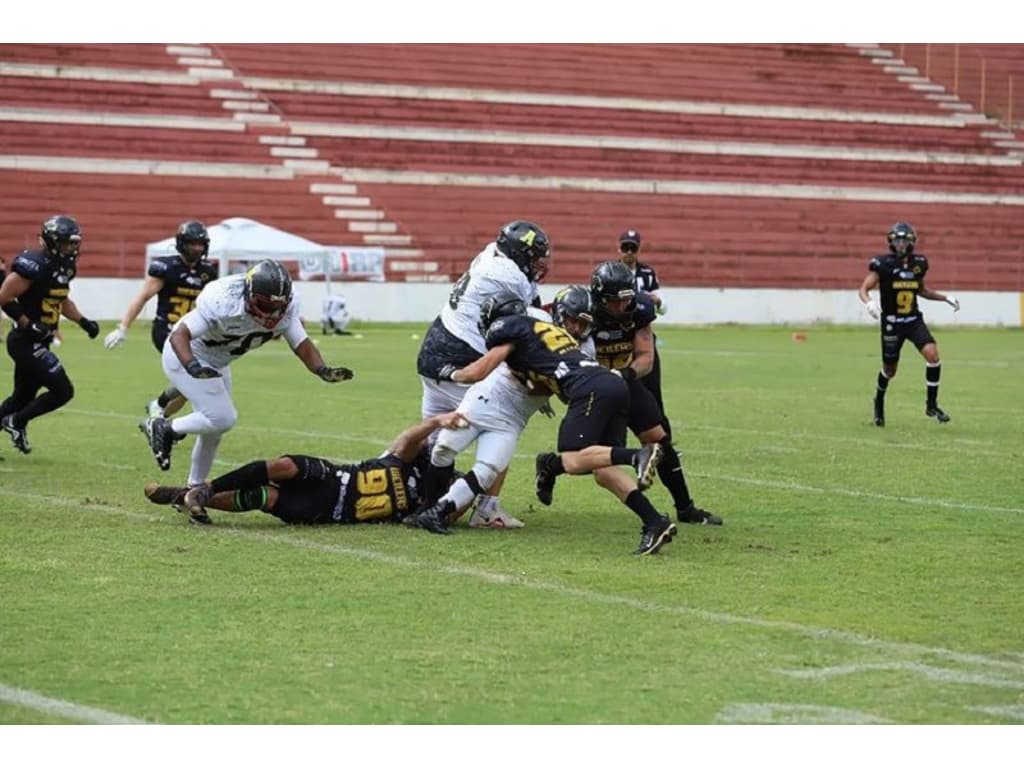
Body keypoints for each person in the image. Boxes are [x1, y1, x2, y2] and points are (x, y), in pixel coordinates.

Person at [406, 289, 673, 556]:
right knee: (601, 468)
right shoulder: (532, 320)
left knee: (571, 458)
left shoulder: (533, 328)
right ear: (558, 312)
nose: (577, 327)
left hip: (533, 409)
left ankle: (636, 456)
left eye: (584, 323)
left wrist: (446, 371)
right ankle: (654, 520)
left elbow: (482, 370)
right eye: (572, 319)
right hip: (504, 398)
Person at [140, 259, 355, 490]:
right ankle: (164, 427)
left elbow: (301, 343)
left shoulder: (286, 306)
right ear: (249, 295)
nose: (273, 312)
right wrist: (192, 366)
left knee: (214, 429)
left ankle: (195, 487)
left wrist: (322, 369)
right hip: (185, 355)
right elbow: (179, 335)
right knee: (223, 418)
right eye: (265, 304)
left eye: (278, 307)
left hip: (218, 360)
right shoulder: (223, 299)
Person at [415, 220, 551, 519]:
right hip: (462, 354)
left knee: (437, 440)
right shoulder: (509, 277)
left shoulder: (493, 253)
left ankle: (425, 505)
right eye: (534, 255)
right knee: (504, 423)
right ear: (518, 253)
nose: (539, 262)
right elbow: (525, 327)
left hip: (433, 350)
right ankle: (486, 509)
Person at [144, 411, 468, 526]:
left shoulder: (427, 507)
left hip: (327, 511)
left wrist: (469, 489)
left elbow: (455, 509)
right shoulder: (405, 461)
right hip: (335, 476)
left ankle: (183, 496)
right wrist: (437, 422)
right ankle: (206, 489)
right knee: (284, 467)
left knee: (265, 498)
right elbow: (409, 440)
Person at [590, 260, 722, 526]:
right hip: (594, 385)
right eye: (613, 302)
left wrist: (624, 376)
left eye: (625, 300)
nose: (621, 307)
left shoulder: (639, 308)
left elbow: (645, 358)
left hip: (627, 376)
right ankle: (550, 465)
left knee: (659, 437)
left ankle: (685, 508)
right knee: (596, 456)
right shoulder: (582, 312)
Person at [0, 215, 100, 454]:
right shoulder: (33, 265)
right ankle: (16, 422)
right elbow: (4, 296)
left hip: (40, 340)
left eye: (74, 243)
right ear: (51, 242)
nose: (71, 248)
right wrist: (26, 323)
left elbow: (61, 298)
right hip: (24, 341)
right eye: (66, 243)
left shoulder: (64, 267)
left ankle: (15, 418)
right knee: (63, 391)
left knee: (21, 399)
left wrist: (83, 321)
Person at [104, 220, 219, 419]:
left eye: (201, 244)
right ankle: (159, 407)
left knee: (189, 387)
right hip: (166, 331)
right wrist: (123, 327)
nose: (197, 248)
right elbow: (142, 297)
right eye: (193, 243)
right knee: (193, 378)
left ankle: (159, 419)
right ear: (182, 243)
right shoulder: (166, 267)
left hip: (192, 334)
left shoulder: (207, 272)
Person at [858, 221, 960, 426]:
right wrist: (868, 302)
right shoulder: (883, 264)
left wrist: (945, 298)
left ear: (912, 242)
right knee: (890, 370)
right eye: (898, 241)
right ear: (891, 242)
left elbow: (921, 290)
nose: (901, 245)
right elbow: (864, 288)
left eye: (905, 241)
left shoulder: (919, 263)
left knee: (933, 355)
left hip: (913, 320)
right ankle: (878, 401)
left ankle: (931, 405)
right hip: (892, 323)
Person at [618, 229, 669, 421]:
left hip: (642, 336)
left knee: (652, 389)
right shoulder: (610, 272)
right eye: (625, 247)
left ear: (638, 249)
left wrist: (655, 301)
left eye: (633, 248)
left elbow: (664, 307)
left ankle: (664, 443)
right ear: (618, 248)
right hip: (618, 336)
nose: (629, 252)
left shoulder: (647, 274)